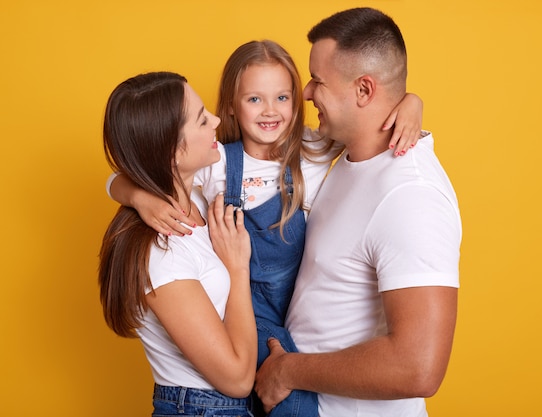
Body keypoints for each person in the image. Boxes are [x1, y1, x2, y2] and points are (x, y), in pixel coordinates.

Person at [107, 40, 423, 417]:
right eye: (254, 100)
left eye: (282, 98)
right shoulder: (216, 165)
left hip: (293, 313)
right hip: (245, 325)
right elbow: (133, 166)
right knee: (292, 396)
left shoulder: (312, 148)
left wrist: (410, 102)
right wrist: (140, 196)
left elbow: (367, 120)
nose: (270, 111)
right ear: (232, 106)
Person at [254, 8, 462, 417]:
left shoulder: (410, 196)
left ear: (364, 91)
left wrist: (288, 370)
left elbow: (418, 367)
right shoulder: (345, 158)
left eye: (319, 81)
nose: (308, 92)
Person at [98, 71, 257, 416]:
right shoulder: (162, 251)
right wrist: (237, 268)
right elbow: (238, 379)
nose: (216, 120)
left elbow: (115, 178)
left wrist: (137, 194)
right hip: (203, 408)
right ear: (172, 151)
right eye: (202, 120)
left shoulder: (195, 196)